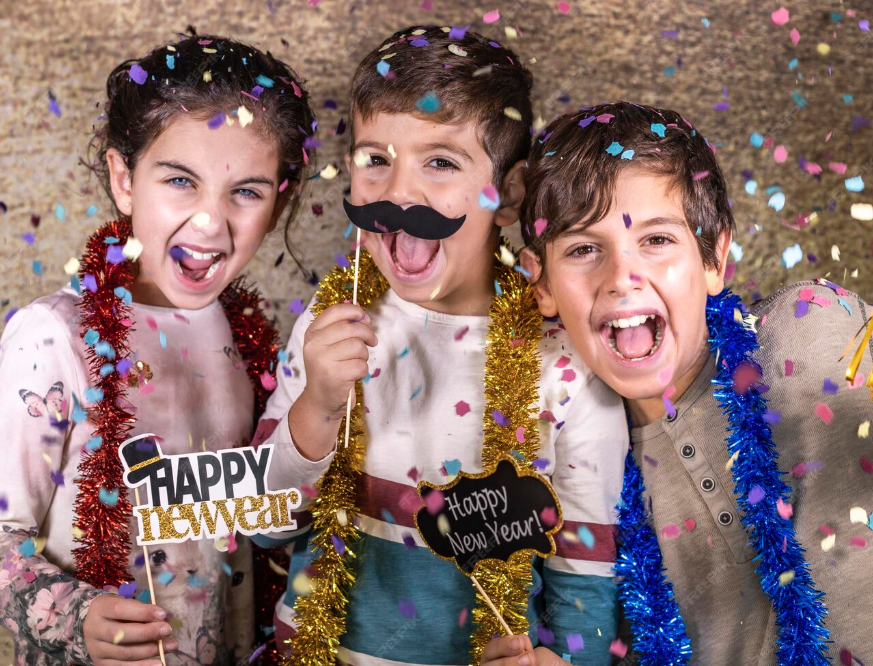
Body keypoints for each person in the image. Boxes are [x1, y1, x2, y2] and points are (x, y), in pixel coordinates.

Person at [254, 25, 628, 666]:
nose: (399, 193)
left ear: (509, 194)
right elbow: (263, 526)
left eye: (441, 162)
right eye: (376, 160)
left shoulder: (565, 367)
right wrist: (316, 407)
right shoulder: (333, 317)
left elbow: (586, 588)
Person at [0, 33, 315, 666]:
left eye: (246, 191)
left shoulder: (247, 340)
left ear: (278, 201)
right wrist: (75, 615)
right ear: (125, 179)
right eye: (179, 180)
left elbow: (267, 515)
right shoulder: (53, 338)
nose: (209, 221)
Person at [519, 100, 872, 664]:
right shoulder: (576, 479)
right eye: (584, 249)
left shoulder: (812, 334)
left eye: (656, 240)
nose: (622, 278)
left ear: (714, 259)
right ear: (541, 285)